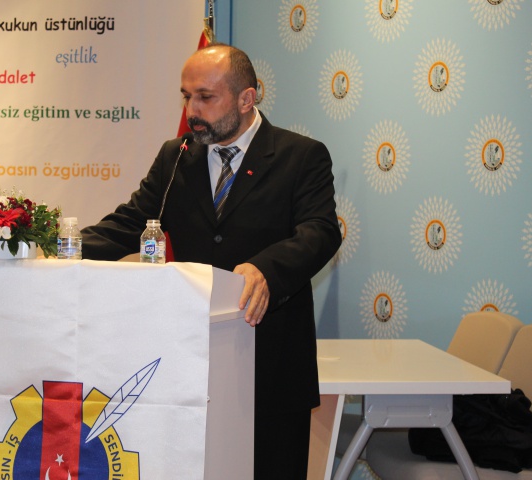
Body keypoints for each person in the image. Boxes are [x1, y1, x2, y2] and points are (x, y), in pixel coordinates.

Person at [81, 43, 341, 479]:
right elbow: (131, 222)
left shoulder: (300, 156)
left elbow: (320, 230)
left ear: (246, 98)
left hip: (271, 359)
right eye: (187, 97)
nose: (192, 111)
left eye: (205, 97)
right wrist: (60, 245)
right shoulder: (176, 156)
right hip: (192, 359)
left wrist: (266, 268)